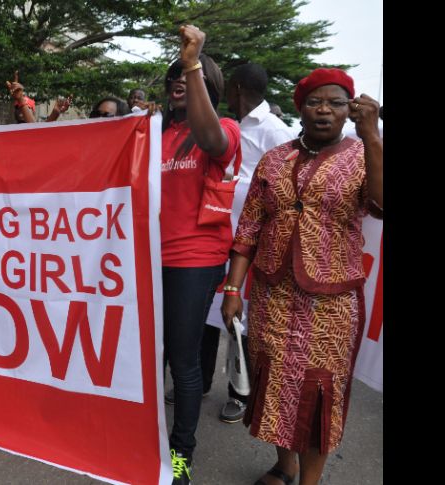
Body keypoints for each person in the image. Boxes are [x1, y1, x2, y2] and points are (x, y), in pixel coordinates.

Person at [221, 68, 382, 485]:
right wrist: (233, 287)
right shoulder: (276, 159)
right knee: (274, 382)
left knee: (317, 394)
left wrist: (373, 137)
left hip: (331, 302)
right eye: (315, 102)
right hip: (273, 295)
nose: (324, 110)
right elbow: (249, 229)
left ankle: (309, 480)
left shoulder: (364, 155)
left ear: (350, 110)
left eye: (336, 102)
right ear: (301, 107)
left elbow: (381, 205)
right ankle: (285, 465)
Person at [160, 25, 241, 484]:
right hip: (147, 257)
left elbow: (212, 143)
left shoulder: (222, 129)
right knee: (147, 353)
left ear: (210, 89)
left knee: (182, 358)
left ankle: (180, 455)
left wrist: (194, 62)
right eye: (175, 74)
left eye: (192, 78)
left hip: (194, 258)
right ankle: (144, 435)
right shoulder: (150, 134)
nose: (181, 79)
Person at [199, 62, 293, 424]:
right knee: (209, 313)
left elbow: (286, 186)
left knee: (240, 323)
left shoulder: (275, 130)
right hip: (216, 234)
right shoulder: (230, 126)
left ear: (236, 88)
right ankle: (203, 380)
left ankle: (241, 393)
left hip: (250, 245)